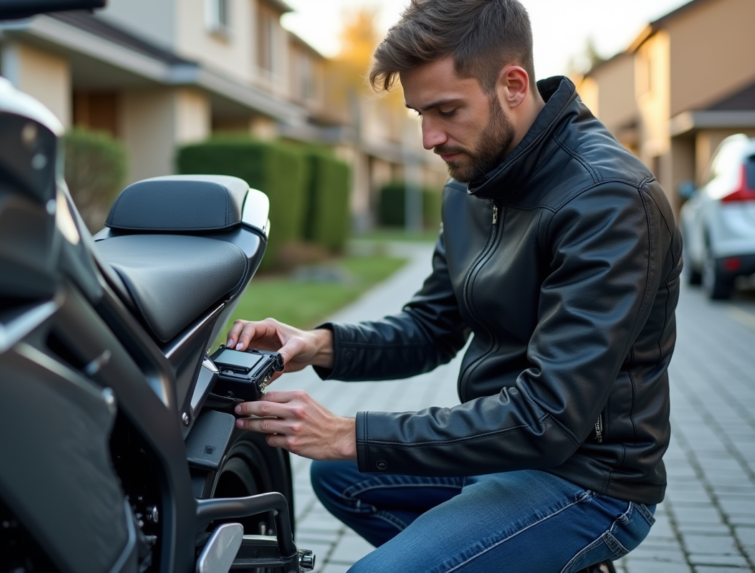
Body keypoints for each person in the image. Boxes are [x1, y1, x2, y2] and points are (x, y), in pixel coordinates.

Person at [227, 0, 681, 571]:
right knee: (340, 475)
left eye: (446, 110)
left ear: (512, 85)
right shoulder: (471, 185)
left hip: (588, 478)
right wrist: (318, 344)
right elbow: (431, 327)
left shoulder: (608, 200)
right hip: (500, 451)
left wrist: (349, 432)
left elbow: (549, 416)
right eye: (419, 112)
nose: (428, 137)